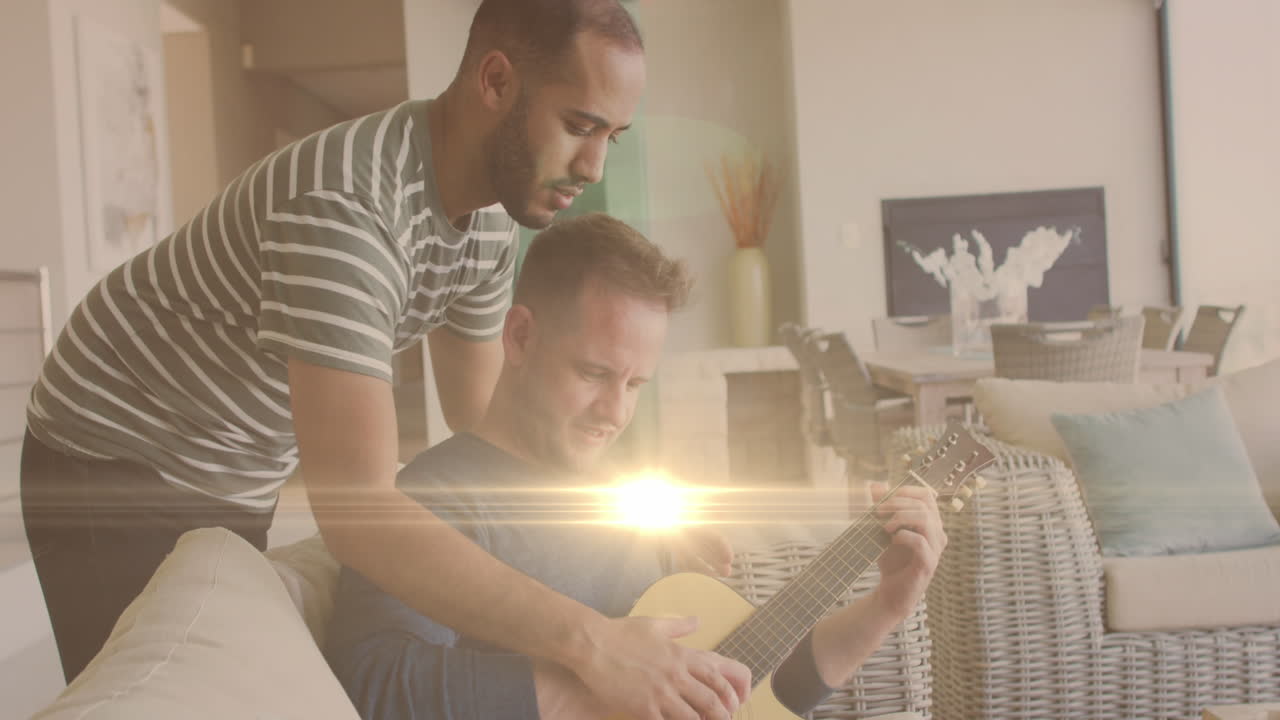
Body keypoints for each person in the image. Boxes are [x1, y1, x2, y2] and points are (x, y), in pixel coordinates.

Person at [19, 3, 746, 717]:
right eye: (578, 125)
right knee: (154, 692)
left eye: (611, 137)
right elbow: (359, 514)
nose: (591, 165)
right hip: (113, 444)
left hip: (239, 463)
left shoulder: (489, 224)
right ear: (495, 82)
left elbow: (490, 427)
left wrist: (642, 526)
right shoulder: (347, 211)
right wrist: (594, 646)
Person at [324, 213, 949, 720]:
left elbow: (759, 693)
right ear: (518, 338)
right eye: (594, 373)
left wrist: (888, 604)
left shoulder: (626, 500)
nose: (614, 411)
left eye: (635, 383)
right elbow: (373, 685)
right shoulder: (438, 497)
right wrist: (598, 680)